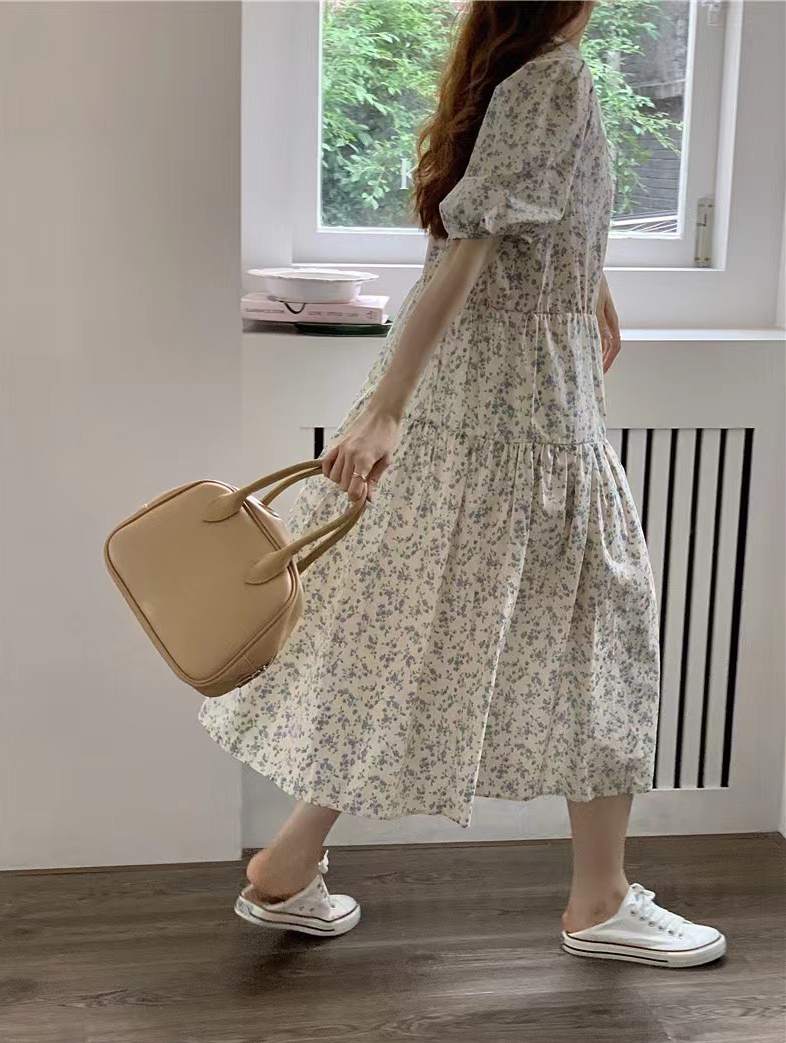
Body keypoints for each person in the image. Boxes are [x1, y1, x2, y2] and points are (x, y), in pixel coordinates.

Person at [201, 0, 727, 967]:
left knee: (412, 621)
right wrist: (384, 409)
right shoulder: (555, 77)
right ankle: (600, 899)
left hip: (483, 395)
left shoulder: (519, 70)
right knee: (602, 626)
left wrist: (593, 289)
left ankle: (288, 860)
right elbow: (471, 244)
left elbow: (521, 219)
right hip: (520, 407)